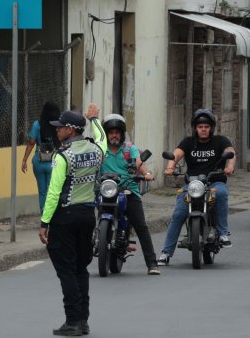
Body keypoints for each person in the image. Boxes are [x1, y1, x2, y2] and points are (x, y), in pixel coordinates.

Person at [39, 107, 106, 337]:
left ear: (69, 130)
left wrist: (44, 222)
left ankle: (72, 321)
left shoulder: (62, 155)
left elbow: (53, 192)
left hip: (65, 218)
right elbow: (102, 137)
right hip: (88, 216)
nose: (57, 131)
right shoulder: (97, 150)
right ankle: (83, 321)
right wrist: (95, 119)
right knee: (80, 269)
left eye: (60, 128)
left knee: (66, 270)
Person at [158, 109, 236, 265]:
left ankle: (222, 233)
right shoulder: (188, 142)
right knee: (179, 213)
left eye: (206, 126)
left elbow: (230, 152)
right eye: (200, 126)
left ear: (211, 128)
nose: (203, 129)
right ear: (195, 128)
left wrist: (229, 166)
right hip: (192, 185)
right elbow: (176, 155)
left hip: (214, 182)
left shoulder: (220, 141)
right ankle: (166, 253)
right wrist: (170, 168)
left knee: (221, 194)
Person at [88, 111, 160, 275]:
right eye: (111, 132)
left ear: (122, 134)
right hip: (106, 191)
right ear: (106, 134)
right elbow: (92, 163)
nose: (114, 135)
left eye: (117, 132)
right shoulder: (101, 149)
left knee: (141, 226)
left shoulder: (129, 149)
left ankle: (152, 264)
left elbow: (139, 163)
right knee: (86, 218)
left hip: (128, 190)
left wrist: (146, 174)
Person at [22, 101, 62, 213]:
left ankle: (44, 216)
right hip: (54, 162)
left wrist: (24, 160)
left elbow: (31, 142)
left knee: (42, 192)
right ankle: (52, 215)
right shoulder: (58, 126)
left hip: (38, 161)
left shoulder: (37, 124)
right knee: (52, 190)